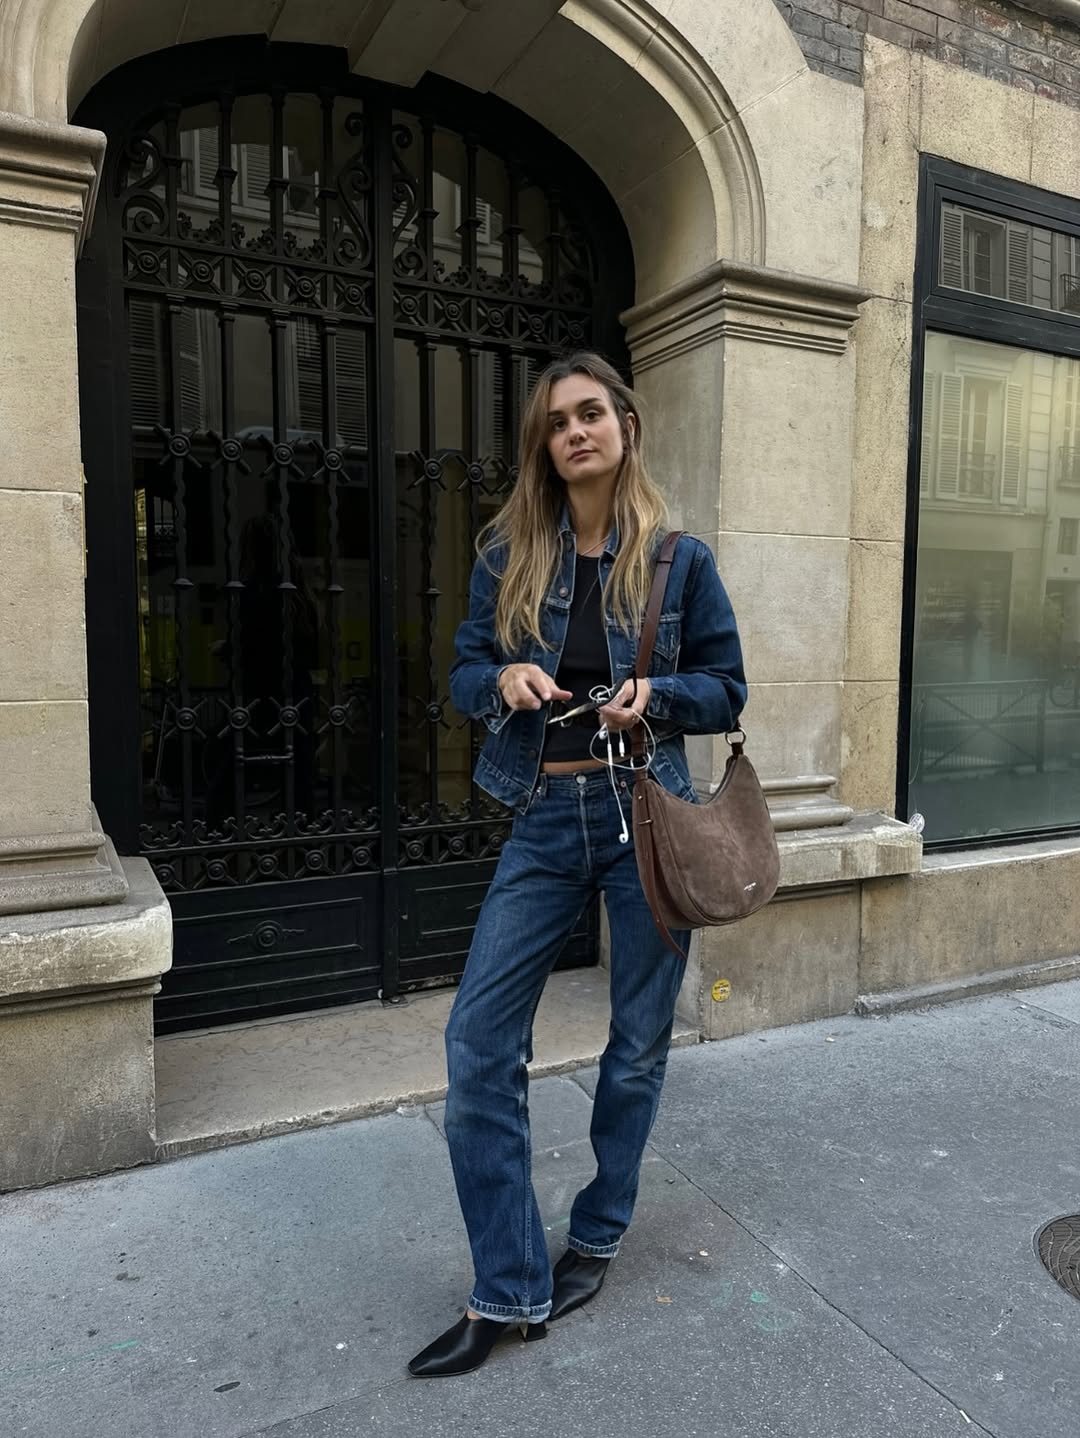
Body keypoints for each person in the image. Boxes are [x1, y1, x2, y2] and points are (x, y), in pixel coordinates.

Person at [407, 352, 746, 1378]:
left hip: (649, 810)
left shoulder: (679, 560)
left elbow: (726, 686)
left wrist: (663, 696)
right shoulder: (510, 551)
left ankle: (594, 1237)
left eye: (591, 413)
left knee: (636, 1044)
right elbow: (466, 664)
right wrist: (498, 674)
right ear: (544, 446)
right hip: (547, 810)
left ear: (625, 426)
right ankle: (508, 1288)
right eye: (558, 422)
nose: (576, 432)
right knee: (477, 1042)